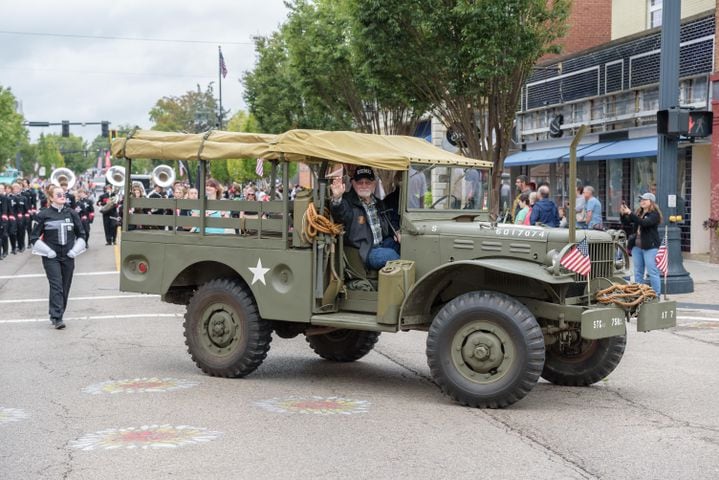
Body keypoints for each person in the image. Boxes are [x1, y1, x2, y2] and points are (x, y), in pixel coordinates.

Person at [30, 184, 85, 329]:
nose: (62, 197)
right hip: (51, 257)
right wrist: (47, 251)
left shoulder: (72, 213)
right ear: (51, 197)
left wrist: (75, 250)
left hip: (68, 255)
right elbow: (33, 237)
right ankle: (57, 316)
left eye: (63, 194)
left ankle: (59, 311)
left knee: (65, 286)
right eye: (58, 194)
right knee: (56, 285)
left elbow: (82, 235)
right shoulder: (43, 214)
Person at [330, 166, 400, 270]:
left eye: (368, 182)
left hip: (382, 244)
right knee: (390, 256)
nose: (364, 186)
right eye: (360, 182)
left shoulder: (379, 203)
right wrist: (337, 197)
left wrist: (397, 231)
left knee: (407, 246)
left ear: (374, 184)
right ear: (353, 183)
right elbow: (340, 213)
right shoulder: (348, 202)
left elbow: (389, 222)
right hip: (364, 251)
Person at [620, 192, 663, 295]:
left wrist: (630, 213)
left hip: (650, 247)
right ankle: (639, 294)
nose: (642, 202)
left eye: (645, 200)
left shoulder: (654, 215)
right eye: (641, 200)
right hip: (636, 246)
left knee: (652, 272)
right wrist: (622, 213)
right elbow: (626, 222)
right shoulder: (639, 213)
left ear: (651, 202)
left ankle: (656, 295)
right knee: (638, 272)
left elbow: (644, 223)